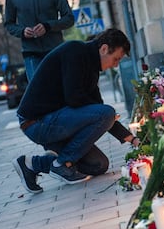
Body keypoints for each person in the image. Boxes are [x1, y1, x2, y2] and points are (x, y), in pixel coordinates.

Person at [12, 28, 141, 194]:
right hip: (37, 122)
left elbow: (100, 112)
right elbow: (75, 99)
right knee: (106, 113)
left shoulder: (92, 68)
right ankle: (61, 164)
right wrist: (106, 114)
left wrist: (134, 140)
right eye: (115, 59)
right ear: (103, 49)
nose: (115, 65)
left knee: (99, 165)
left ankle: (31, 165)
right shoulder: (75, 52)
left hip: (56, 122)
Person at [3, 0, 74, 80]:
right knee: (38, 93)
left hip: (55, 49)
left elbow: (69, 19)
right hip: (31, 53)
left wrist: (48, 26)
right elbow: (9, 24)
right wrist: (22, 31)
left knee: (60, 89)